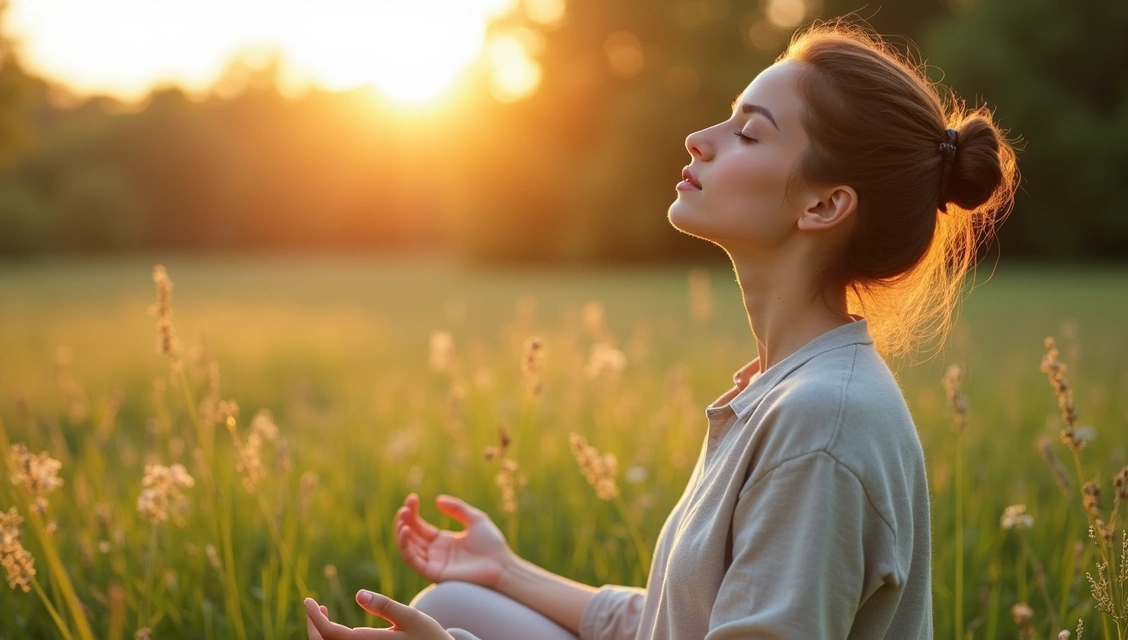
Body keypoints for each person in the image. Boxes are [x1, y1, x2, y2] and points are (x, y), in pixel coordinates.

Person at [304, 18, 1017, 640]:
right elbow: (684, 620)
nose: (699, 140)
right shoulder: (781, 386)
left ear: (824, 205)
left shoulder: (819, 426)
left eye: (747, 133)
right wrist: (508, 571)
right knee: (463, 597)